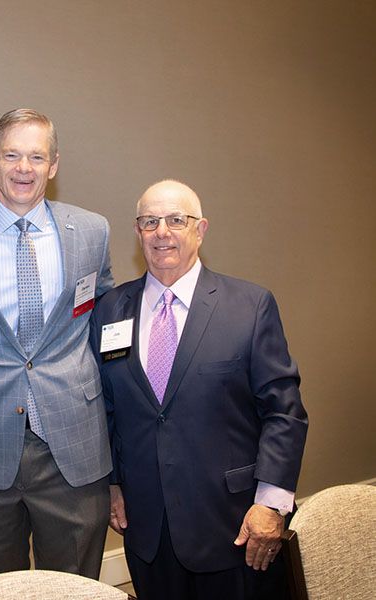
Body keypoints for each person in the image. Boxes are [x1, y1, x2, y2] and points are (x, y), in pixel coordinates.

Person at [94, 179, 308, 600]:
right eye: (149, 221)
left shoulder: (249, 305)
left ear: (201, 229)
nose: (162, 232)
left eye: (176, 220)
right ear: (137, 232)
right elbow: (107, 407)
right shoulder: (110, 310)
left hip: (234, 526)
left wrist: (271, 502)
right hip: (148, 530)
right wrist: (113, 483)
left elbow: (284, 412)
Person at [0, 108, 114, 581]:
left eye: (36, 156)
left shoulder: (92, 231)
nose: (23, 168)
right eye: (11, 155)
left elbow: (103, 323)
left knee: (73, 587)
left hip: (72, 447)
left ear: (54, 165)